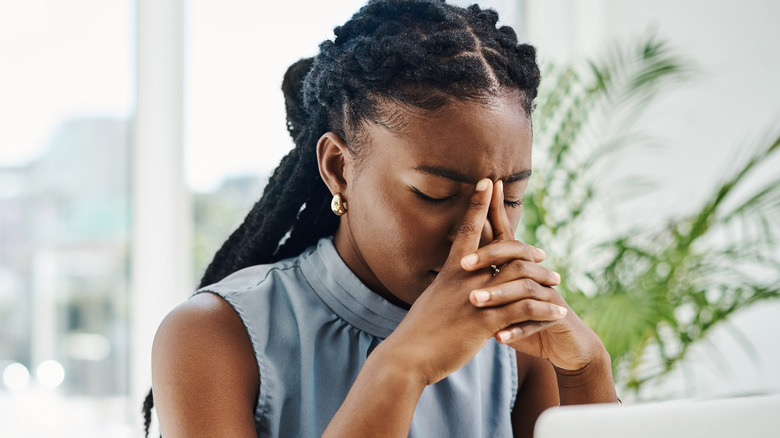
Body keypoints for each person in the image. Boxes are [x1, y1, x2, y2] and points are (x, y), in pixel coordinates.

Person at [145, 0, 618, 436]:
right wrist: (402, 367)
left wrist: (587, 370)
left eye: (511, 196)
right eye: (435, 194)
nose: (485, 234)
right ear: (338, 169)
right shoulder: (215, 335)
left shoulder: (517, 345)